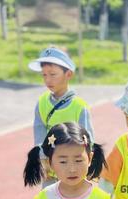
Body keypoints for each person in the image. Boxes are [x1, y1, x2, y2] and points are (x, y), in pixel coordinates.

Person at [29, 46, 94, 185]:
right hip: (51, 174)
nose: (48, 80)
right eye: (44, 75)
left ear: (68, 74)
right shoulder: (42, 103)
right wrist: (43, 161)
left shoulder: (80, 107)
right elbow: (39, 136)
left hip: (74, 175)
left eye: (53, 74)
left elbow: (88, 142)